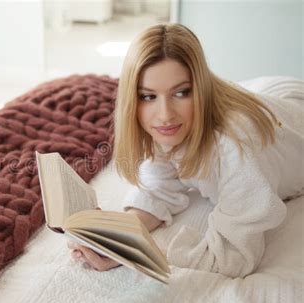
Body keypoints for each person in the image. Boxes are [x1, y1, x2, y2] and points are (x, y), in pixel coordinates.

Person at [68, 23, 304, 278]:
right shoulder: (165, 123)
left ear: (200, 89)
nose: (165, 115)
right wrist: (118, 235)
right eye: (148, 96)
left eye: (182, 92)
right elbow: (158, 190)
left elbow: (233, 257)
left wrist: (139, 252)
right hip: (262, 91)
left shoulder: (236, 143)